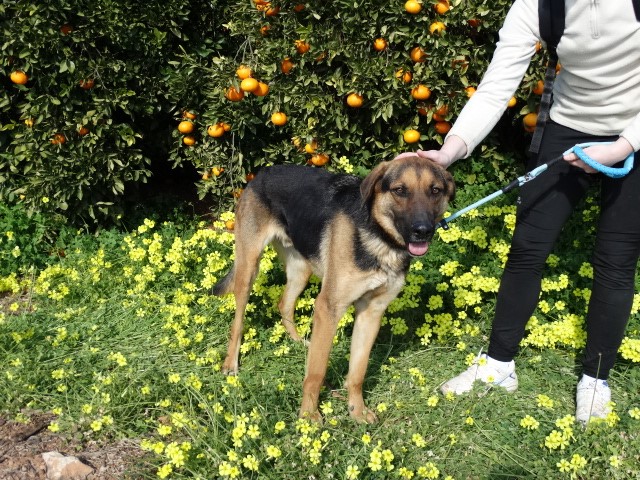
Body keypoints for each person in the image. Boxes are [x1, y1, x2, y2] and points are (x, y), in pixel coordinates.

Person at [407, 0, 640, 423]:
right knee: (528, 248)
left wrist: (623, 145)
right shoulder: (537, 5)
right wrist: (449, 151)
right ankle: (498, 365)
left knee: (616, 259)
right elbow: (496, 87)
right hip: (568, 125)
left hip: (635, 132)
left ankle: (596, 380)